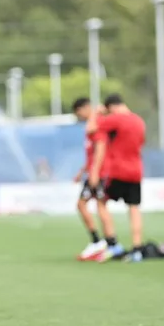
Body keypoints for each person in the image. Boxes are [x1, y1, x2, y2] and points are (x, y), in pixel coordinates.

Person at [88, 93, 145, 263]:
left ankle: (113, 244)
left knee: (101, 202)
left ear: (111, 107)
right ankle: (137, 249)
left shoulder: (116, 119)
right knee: (134, 208)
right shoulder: (139, 121)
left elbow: (91, 129)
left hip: (118, 170)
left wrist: (96, 113)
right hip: (136, 170)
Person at [72, 98, 109, 260]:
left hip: (99, 173)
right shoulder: (91, 126)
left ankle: (102, 242)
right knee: (92, 205)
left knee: (88, 205)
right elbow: (91, 154)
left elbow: (100, 149)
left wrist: (94, 172)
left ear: (85, 108)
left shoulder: (96, 124)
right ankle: (103, 243)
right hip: (94, 171)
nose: (79, 116)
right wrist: (82, 171)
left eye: (79, 112)